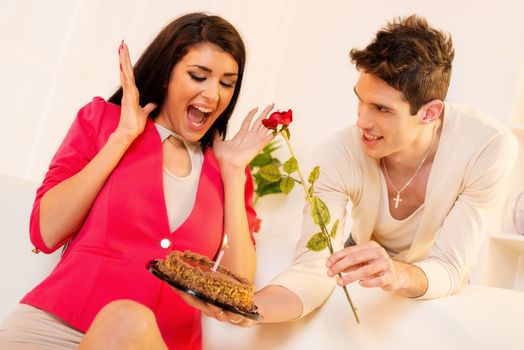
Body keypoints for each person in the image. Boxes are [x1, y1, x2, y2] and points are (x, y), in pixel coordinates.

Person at [185, 14, 518, 326]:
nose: (362, 121)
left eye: (382, 109)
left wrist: (399, 273)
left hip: (431, 288)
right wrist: (250, 311)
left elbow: (451, 266)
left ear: (430, 113)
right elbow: (312, 267)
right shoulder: (337, 154)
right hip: (364, 273)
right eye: (360, 100)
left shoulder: (486, 147)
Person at [0, 12, 274, 349]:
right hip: (55, 326)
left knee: (130, 319)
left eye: (226, 83)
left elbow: (235, 289)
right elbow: (45, 233)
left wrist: (232, 173)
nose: (213, 94)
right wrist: (123, 137)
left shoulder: (230, 170)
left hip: (155, 341)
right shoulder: (104, 121)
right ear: (165, 75)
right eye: (198, 76)